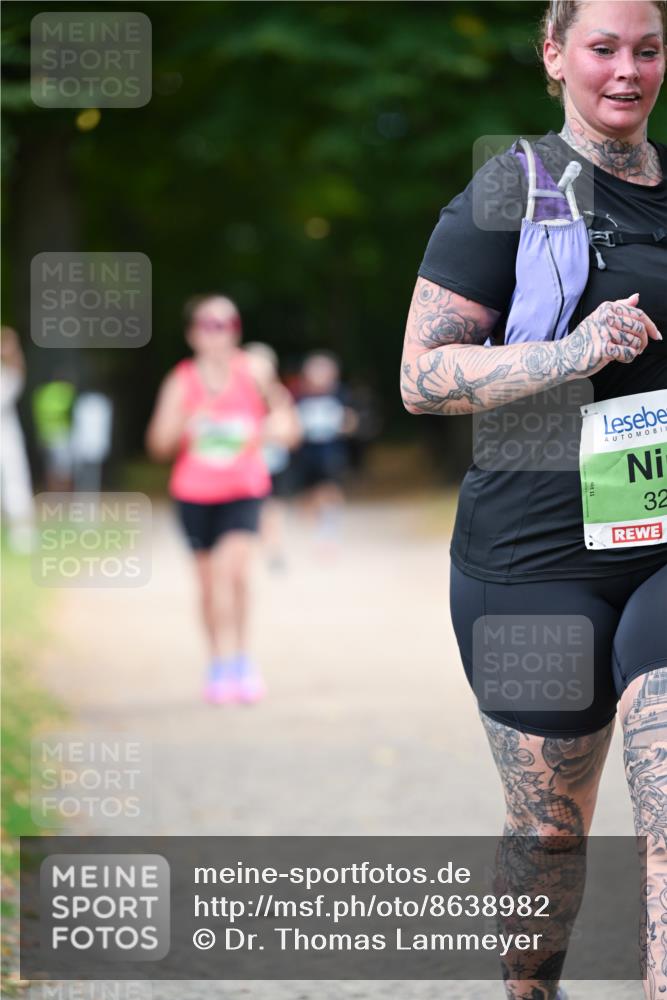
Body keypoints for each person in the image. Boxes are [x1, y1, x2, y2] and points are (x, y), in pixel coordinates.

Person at [401, 2, 666, 998]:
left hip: (658, 549)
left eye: (646, 48)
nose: (626, 70)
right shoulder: (512, 190)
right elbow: (420, 377)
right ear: (555, 55)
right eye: (602, 47)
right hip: (532, 556)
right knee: (548, 832)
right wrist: (576, 348)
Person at [146, 295, 277, 705]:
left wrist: (265, 432)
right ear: (192, 334)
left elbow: (288, 421)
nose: (217, 333)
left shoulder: (253, 373)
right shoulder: (180, 381)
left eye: (226, 324)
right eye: (208, 324)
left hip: (243, 490)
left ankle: (241, 659)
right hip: (194, 495)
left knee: (233, 573)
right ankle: (217, 662)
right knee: (207, 586)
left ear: (236, 330)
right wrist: (188, 420)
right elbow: (158, 445)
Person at [244, 342, 301, 571]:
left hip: (274, 463)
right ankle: (251, 547)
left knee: (273, 508)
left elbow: (292, 431)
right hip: (246, 465)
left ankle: (273, 548)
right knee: (252, 508)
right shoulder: (236, 394)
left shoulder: (278, 395)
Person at [293, 351, 358, 551]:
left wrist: (343, 423)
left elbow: (352, 422)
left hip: (332, 451)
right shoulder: (299, 396)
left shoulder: (341, 395)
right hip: (307, 453)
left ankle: (328, 531)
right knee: (310, 493)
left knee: (330, 489)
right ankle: (317, 530)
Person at [1, 326, 35, 552]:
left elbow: (17, 371)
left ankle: (22, 534)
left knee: (15, 484)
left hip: (6, 436)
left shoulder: (7, 374)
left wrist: (12, 349)